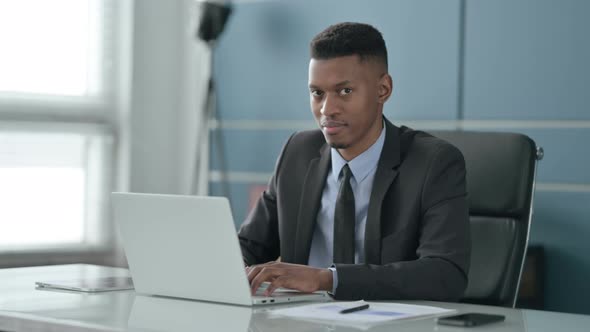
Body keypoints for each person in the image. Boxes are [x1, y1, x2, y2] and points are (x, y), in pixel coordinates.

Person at [239, 22, 470, 301]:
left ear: (383, 89)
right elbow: (248, 246)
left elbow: (445, 274)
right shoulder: (297, 152)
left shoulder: (433, 163)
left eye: (344, 91)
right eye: (317, 93)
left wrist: (325, 279)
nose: (327, 109)